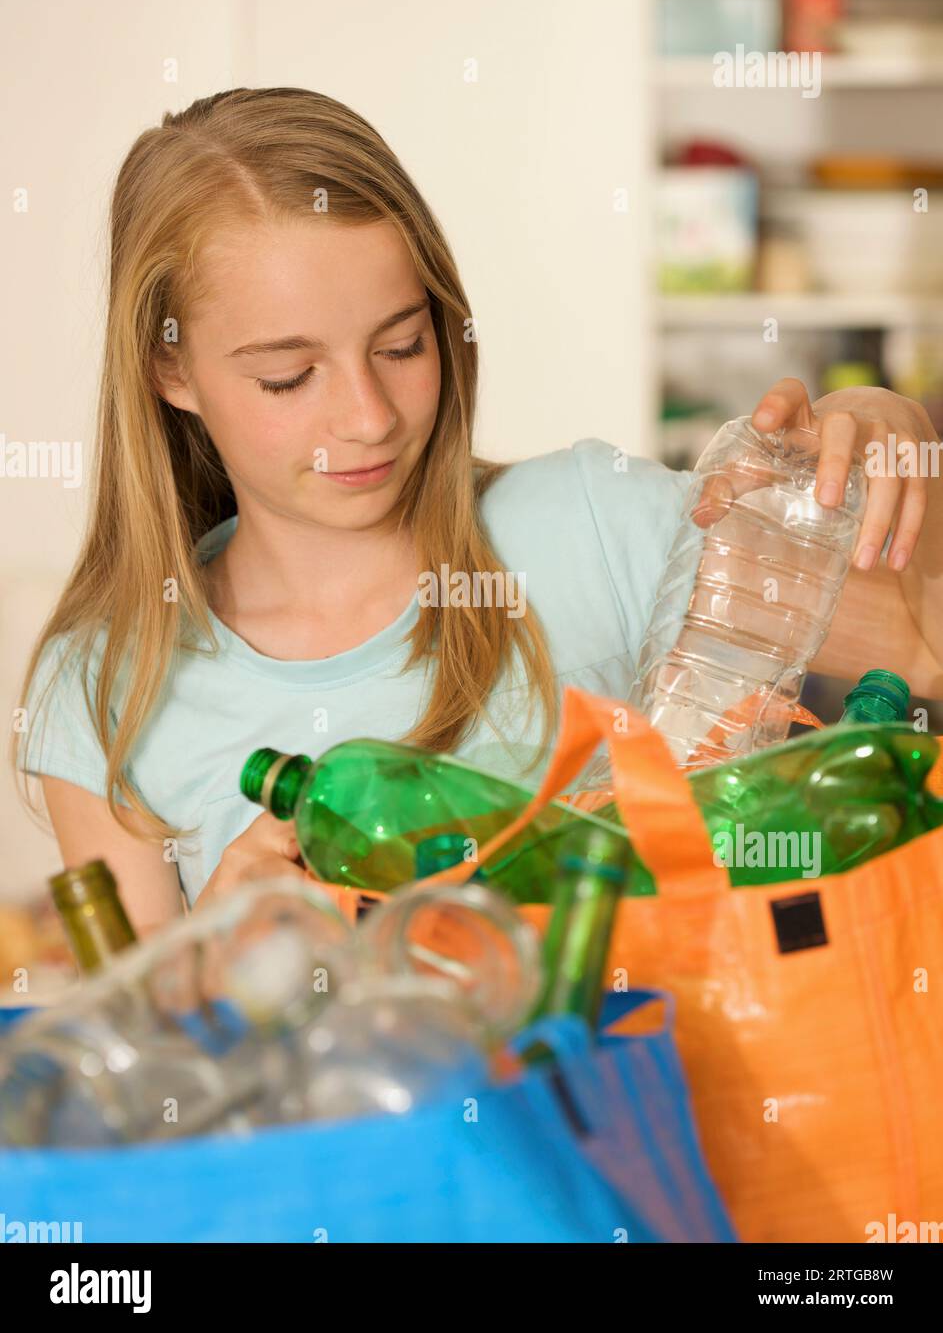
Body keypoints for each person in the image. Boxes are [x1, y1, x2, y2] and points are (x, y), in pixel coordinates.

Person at [13, 88, 943, 935]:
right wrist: (214, 956)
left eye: (402, 345)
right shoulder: (106, 690)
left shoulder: (591, 524)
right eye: (288, 376)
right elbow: (142, 1079)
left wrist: (896, 451)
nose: (370, 418)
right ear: (170, 369)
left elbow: (919, 647)